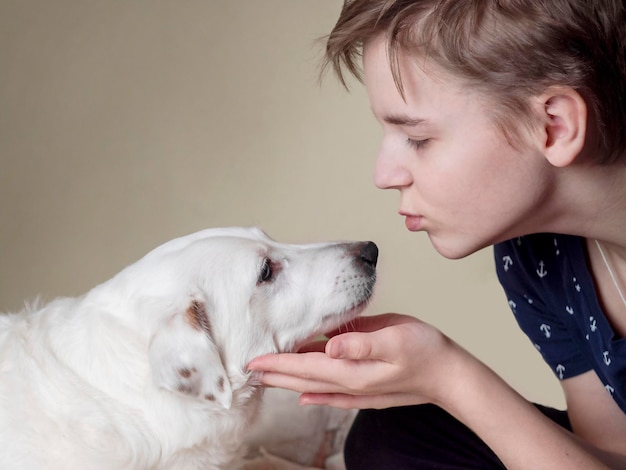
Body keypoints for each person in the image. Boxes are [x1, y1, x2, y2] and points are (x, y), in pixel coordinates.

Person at [248, 0, 626, 468]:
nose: (384, 174)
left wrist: (452, 378)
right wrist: (437, 375)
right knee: (394, 436)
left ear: (554, 125)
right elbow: (612, 454)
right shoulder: (535, 255)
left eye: (418, 139)